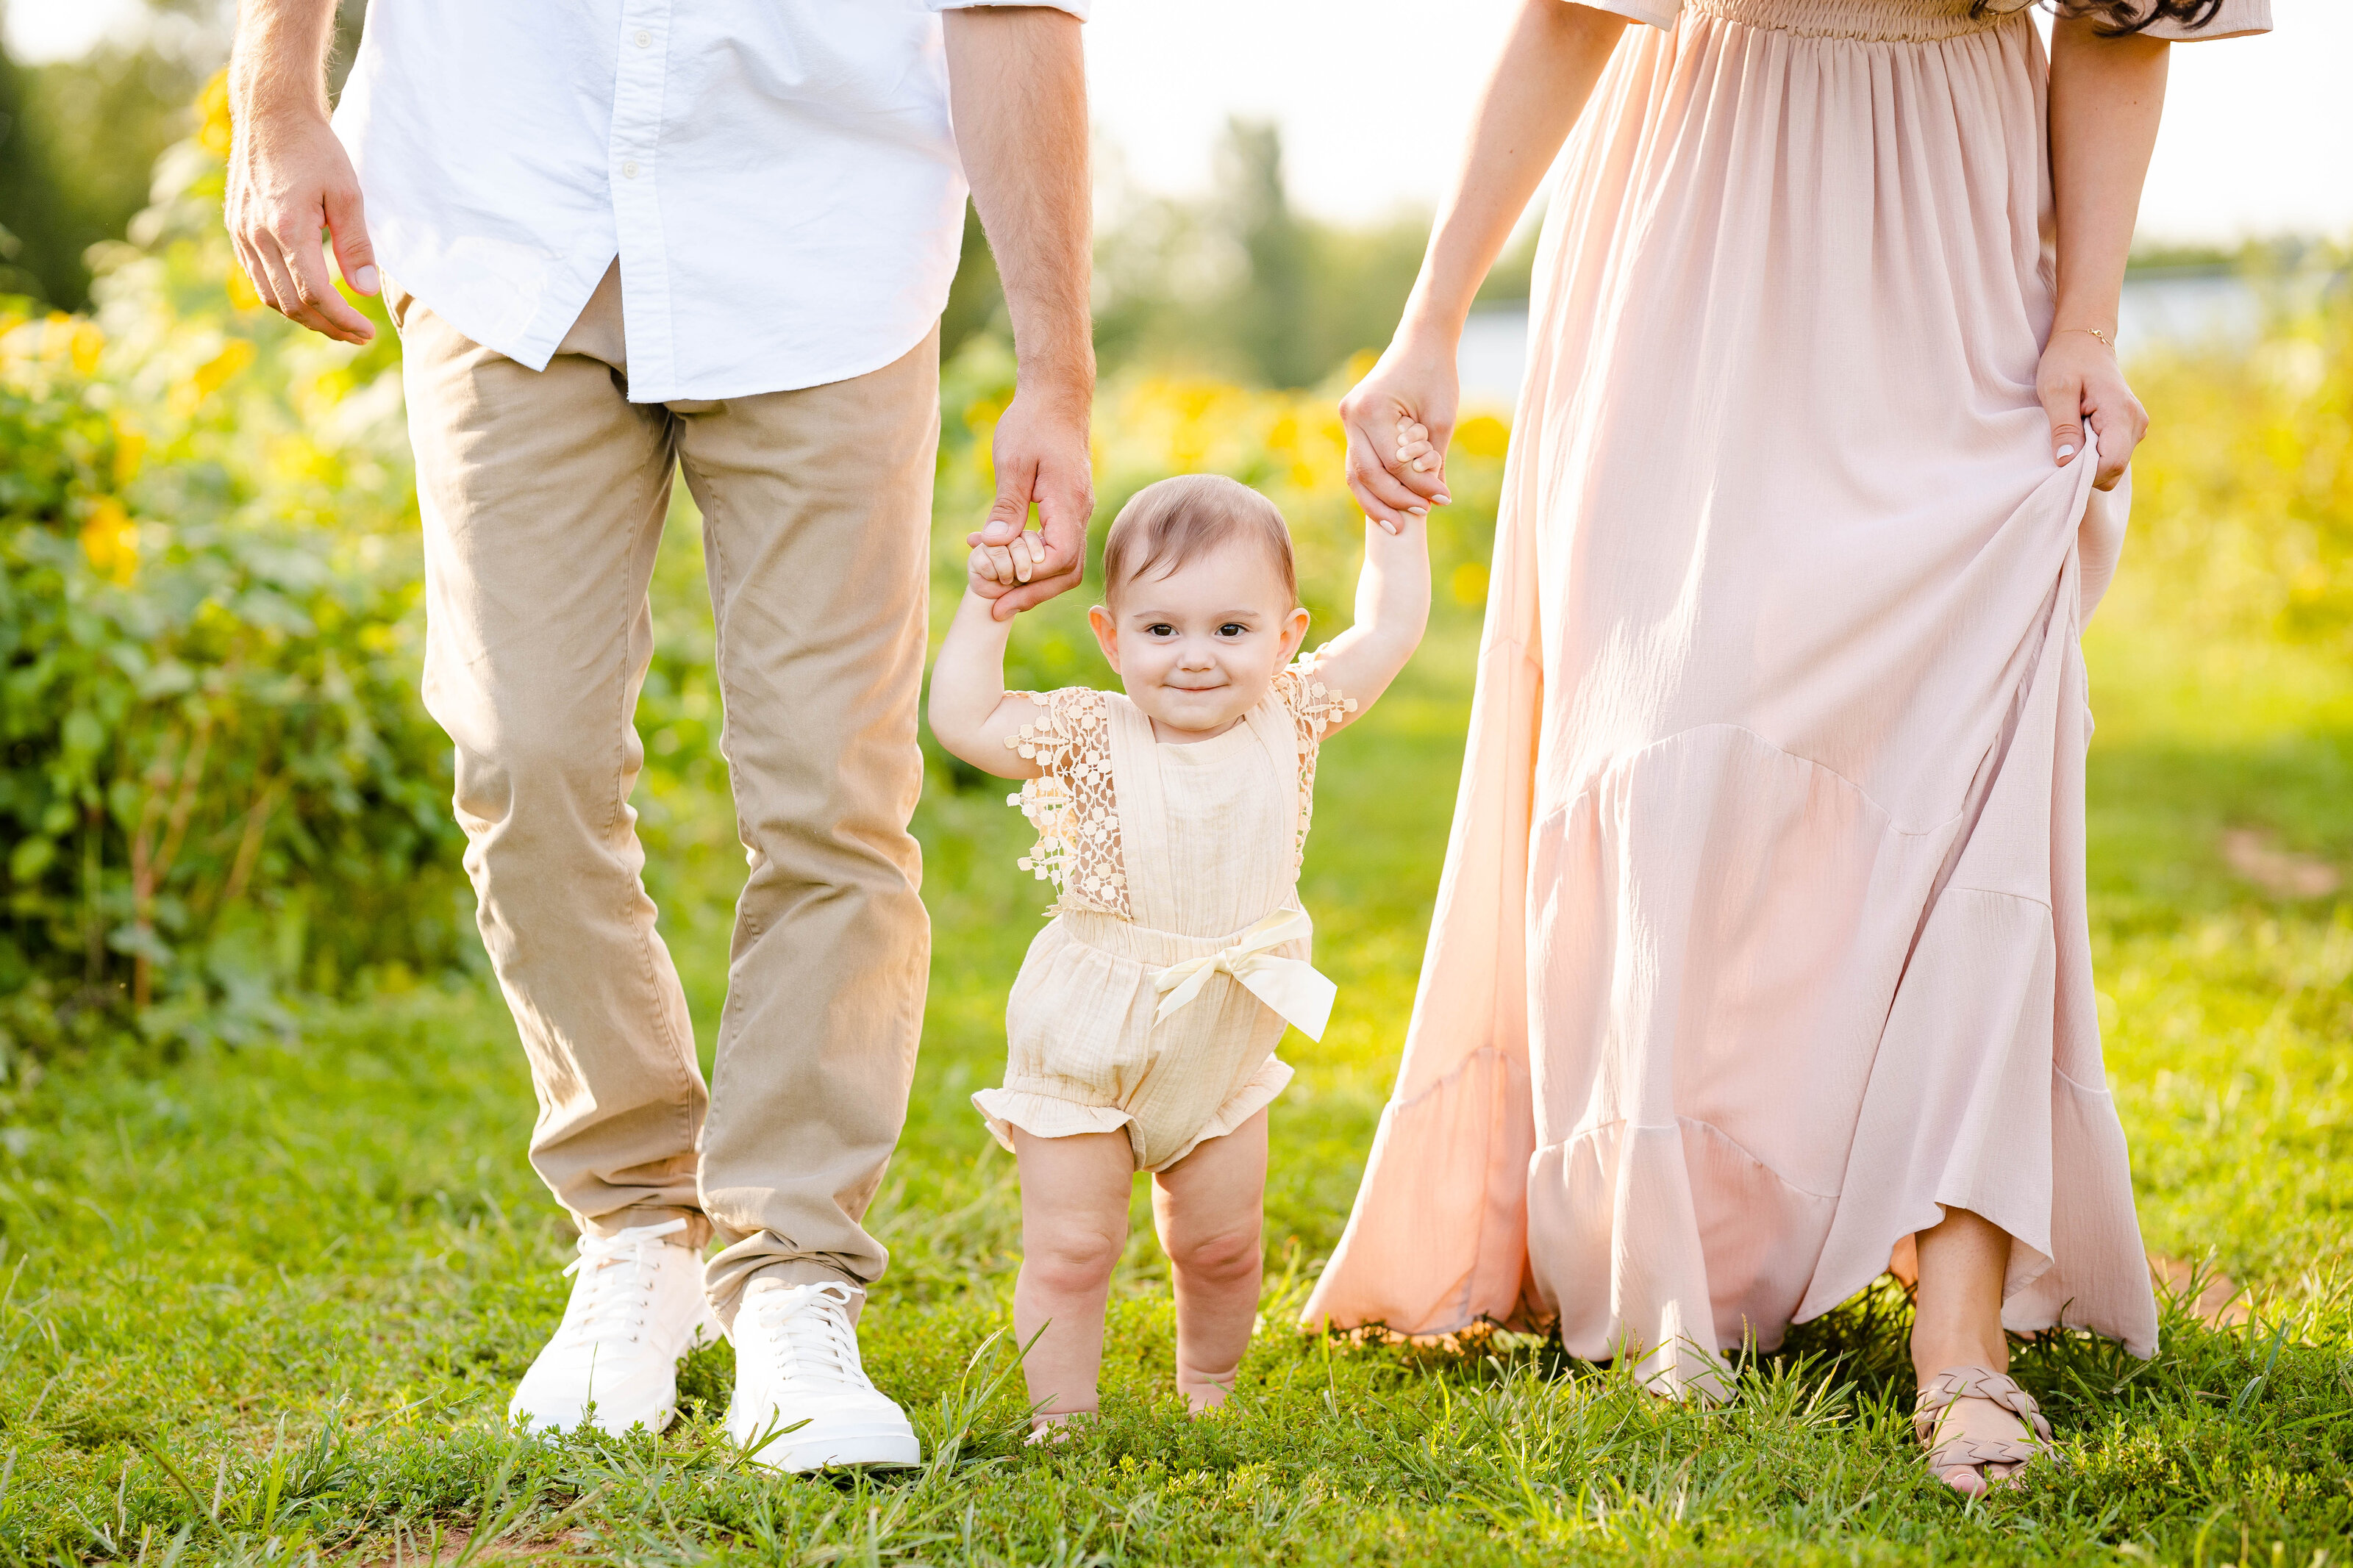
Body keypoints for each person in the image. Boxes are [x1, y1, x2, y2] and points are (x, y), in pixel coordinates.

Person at [1304, 0, 2270, 1496]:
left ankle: (1962, 1332)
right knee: (1669, 723)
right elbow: (1571, 9)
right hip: (1699, 205)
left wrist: (2087, 318)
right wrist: (1431, 318)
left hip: (1960, 229)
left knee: (1976, 757)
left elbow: (2124, 16)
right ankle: (1669, 1258)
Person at [224, 0, 1096, 1469]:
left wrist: (1056, 373)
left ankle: (794, 1267)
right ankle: (637, 1225)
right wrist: (276, 94)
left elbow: (1010, 13)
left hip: (822, 239)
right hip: (506, 213)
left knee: (834, 788)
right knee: (523, 754)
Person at [928, 475, 1429, 1431]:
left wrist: (1391, 520)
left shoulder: (1294, 713)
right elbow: (966, 720)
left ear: (1286, 637)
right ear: (1112, 637)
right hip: (1093, 1035)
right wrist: (987, 606)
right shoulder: (1092, 730)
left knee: (1224, 1243)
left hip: (1223, 1036)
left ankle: (1211, 1390)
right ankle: (1063, 1417)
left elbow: (1390, 630)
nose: (1196, 658)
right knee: (1074, 1245)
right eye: (1162, 631)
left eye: (1231, 631)